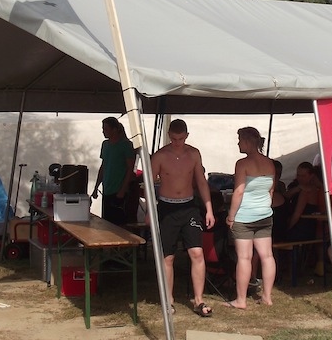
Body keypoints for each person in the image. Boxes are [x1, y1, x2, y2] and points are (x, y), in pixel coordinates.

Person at [149, 119, 215, 317]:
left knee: (196, 253)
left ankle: (198, 299)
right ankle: (168, 300)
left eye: (181, 138)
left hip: (189, 206)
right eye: (174, 138)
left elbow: (201, 182)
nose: (177, 142)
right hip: (167, 207)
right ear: (169, 136)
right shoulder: (160, 156)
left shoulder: (193, 154)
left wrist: (209, 209)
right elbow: (149, 185)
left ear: (187, 135)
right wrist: (148, 211)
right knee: (167, 256)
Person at [225, 127, 276, 309]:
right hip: (264, 214)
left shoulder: (242, 164)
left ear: (248, 141)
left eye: (239, 140)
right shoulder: (269, 163)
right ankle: (267, 297)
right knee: (267, 255)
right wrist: (264, 207)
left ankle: (241, 300)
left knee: (244, 258)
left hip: (245, 216)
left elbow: (239, 191)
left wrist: (231, 215)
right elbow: (270, 190)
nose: (238, 143)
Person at [92, 116, 135, 226]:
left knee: (119, 224)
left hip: (119, 190)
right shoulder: (105, 144)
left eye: (105, 129)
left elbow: (130, 168)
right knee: (107, 223)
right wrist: (96, 186)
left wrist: (123, 190)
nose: (103, 132)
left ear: (114, 129)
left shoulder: (125, 145)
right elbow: (103, 166)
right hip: (107, 188)